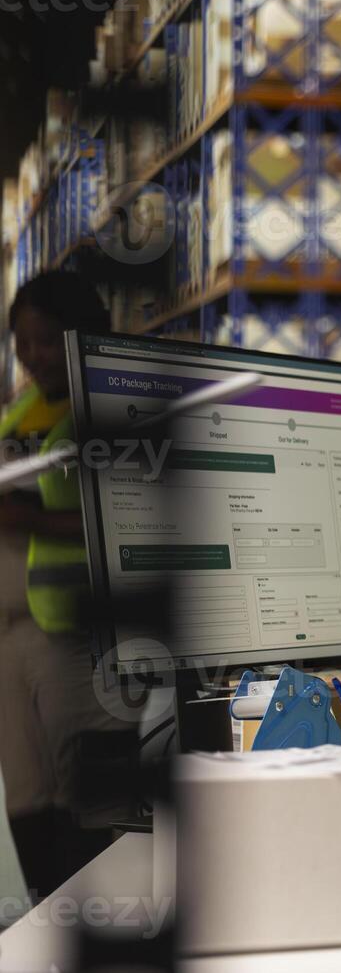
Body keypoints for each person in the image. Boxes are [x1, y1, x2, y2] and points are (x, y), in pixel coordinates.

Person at [0, 272, 128, 901]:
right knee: (24, 792)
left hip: (71, 634)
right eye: (23, 344)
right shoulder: (22, 411)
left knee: (81, 795)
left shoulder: (106, 404)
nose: (33, 356)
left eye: (46, 340)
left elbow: (125, 513)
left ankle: (87, 926)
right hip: (10, 636)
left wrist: (25, 517)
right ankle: (41, 922)